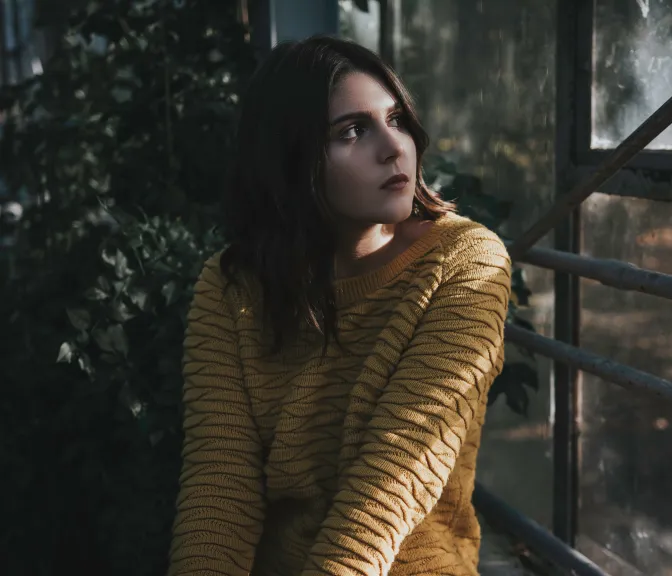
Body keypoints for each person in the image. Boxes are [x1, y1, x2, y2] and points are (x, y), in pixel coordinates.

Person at [167, 35, 511, 576]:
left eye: (396, 120)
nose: (393, 147)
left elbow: (391, 486)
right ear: (289, 158)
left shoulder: (466, 263)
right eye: (353, 131)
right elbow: (219, 488)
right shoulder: (231, 287)